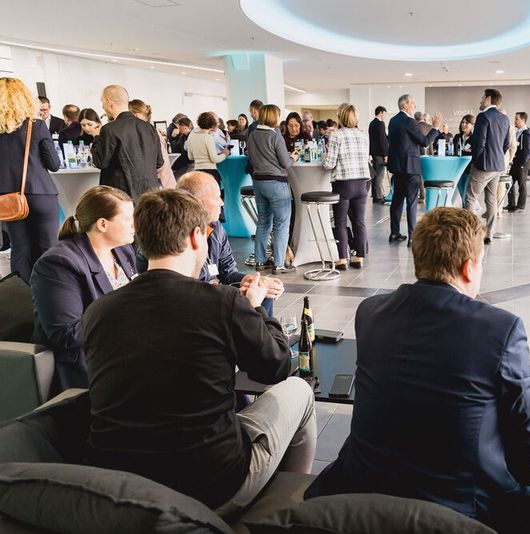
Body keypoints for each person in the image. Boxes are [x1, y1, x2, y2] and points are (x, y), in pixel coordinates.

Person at [306, 207, 530, 527]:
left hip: (366, 488)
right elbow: (529, 462)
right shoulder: (501, 329)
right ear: (468, 268)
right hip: (456, 508)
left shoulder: (371, 313)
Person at [83, 189, 316, 516]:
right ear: (196, 237)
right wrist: (260, 307)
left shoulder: (99, 311)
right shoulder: (221, 302)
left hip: (119, 484)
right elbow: (275, 367)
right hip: (210, 484)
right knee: (300, 391)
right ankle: (290, 504)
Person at [30, 186, 136, 394]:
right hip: (86, 366)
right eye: (127, 219)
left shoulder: (123, 250)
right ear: (103, 224)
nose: (135, 225)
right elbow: (67, 334)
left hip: (123, 353)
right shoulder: (58, 263)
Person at [171, 171, 284, 316]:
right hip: (194, 306)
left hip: (215, 294)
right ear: (196, 202)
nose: (222, 202)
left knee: (264, 292)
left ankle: (263, 335)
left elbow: (228, 272)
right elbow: (182, 290)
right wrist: (224, 291)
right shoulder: (176, 237)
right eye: (217, 197)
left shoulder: (216, 228)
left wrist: (249, 281)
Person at [1, 77, 61, 283]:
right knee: (48, 246)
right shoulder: (35, 125)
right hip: (40, 192)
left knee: (19, 248)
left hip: (8, 198)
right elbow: (53, 164)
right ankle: (53, 293)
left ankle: (23, 299)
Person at [88, 85, 163, 201]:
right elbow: (159, 162)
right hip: (150, 194)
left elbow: (100, 162)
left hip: (121, 196)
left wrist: (96, 137)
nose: (102, 106)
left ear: (109, 102)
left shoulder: (109, 129)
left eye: (102, 102)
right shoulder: (150, 128)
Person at [248, 104, 298, 274]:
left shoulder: (252, 135)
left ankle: (260, 261)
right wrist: (294, 157)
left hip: (258, 182)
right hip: (276, 183)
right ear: (272, 117)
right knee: (282, 224)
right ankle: (279, 264)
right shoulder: (275, 137)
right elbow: (285, 163)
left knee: (263, 222)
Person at [387, 94, 441, 247]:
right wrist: (435, 128)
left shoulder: (392, 121)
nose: (414, 106)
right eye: (412, 103)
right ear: (405, 106)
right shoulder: (409, 121)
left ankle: (394, 232)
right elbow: (424, 142)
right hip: (410, 168)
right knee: (411, 202)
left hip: (397, 168)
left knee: (397, 201)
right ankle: (412, 237)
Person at [324, 104, 369, 271]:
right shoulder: (363, 136)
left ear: (340, 117)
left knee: (341, 222)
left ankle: (342, 259)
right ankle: (359, 257)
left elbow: (329, 164)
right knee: (359, 222)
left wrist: (324, 156)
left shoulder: (337, 135)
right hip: (362, 183)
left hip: (344, 184)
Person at [465, 89, 509, 245]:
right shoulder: (504, 118)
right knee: (491, 200)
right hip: (498, 165)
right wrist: (496, 155)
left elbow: (479, 143)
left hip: (483, 166)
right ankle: (489, 234)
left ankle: (472, 234)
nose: (481, 100)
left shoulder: (483, 116)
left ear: (489, 99)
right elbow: (505, 144)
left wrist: (476, 160)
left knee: (470, 198)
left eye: (483, 97)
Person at [129, 99, 176, 189]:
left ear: (136, 115)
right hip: (163, 181)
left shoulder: (149, 134)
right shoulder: (152, 132)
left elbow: (159, 163)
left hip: (161, 183)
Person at [185, 111, 229, 187]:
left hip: (197, 172)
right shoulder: (208, 137)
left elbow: (190, 157)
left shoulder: (192, 136)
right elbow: (214, 159)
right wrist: (225, 153)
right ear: (212, 125)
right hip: (210, 173)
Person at [505, 112, 530, 213]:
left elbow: (526, 152)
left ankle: (520, 206)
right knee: (509, 183)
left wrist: (521, 165)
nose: (515, 121)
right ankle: (511, 204)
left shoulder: (526, 134)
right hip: (515, 163)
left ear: (523, 120)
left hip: (522, 164)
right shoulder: (518, 132)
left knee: (522, 185)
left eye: (517, 119)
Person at [368, 105, 389, 204]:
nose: (385, 116)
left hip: (374, 152)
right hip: (380, 153)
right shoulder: (380, 123)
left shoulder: (372, 123)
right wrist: (385, 154)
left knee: (375, 175)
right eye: (384, 113)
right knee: (379, 176)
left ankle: (375, 196)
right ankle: (379, 197)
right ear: (381, 112)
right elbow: (382, 140)